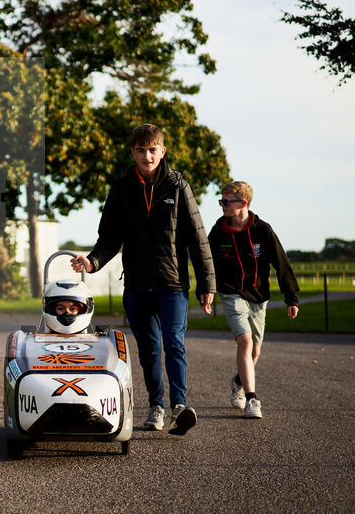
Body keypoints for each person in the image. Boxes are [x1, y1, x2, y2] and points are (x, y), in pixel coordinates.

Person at [71, 123, 215, 436]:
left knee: (173, 341)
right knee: (148, 349)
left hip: (172, 285)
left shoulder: (178, 186)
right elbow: (110, 237)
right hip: (136, 285)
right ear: (133, 153)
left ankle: (179, 405)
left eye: (152, 149)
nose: (146, 155)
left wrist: (206, 284)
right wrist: (92, 261)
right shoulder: (122, 188)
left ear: (162, 151)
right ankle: (156, 406)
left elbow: (197, 239)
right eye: (140, 150)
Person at [207, 181, 300, 419]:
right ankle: (252, 399)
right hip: (230, 293)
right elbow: (206, 264)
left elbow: (282, 264)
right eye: (221, 201)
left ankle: (238, 381)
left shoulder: (263, 231)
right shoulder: (218, 232)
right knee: (245, 342)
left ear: (243, 203)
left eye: (226, 202)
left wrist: (292, 298)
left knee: (255, 351)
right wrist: (206, 290)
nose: (222, 206)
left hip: (259, 297)